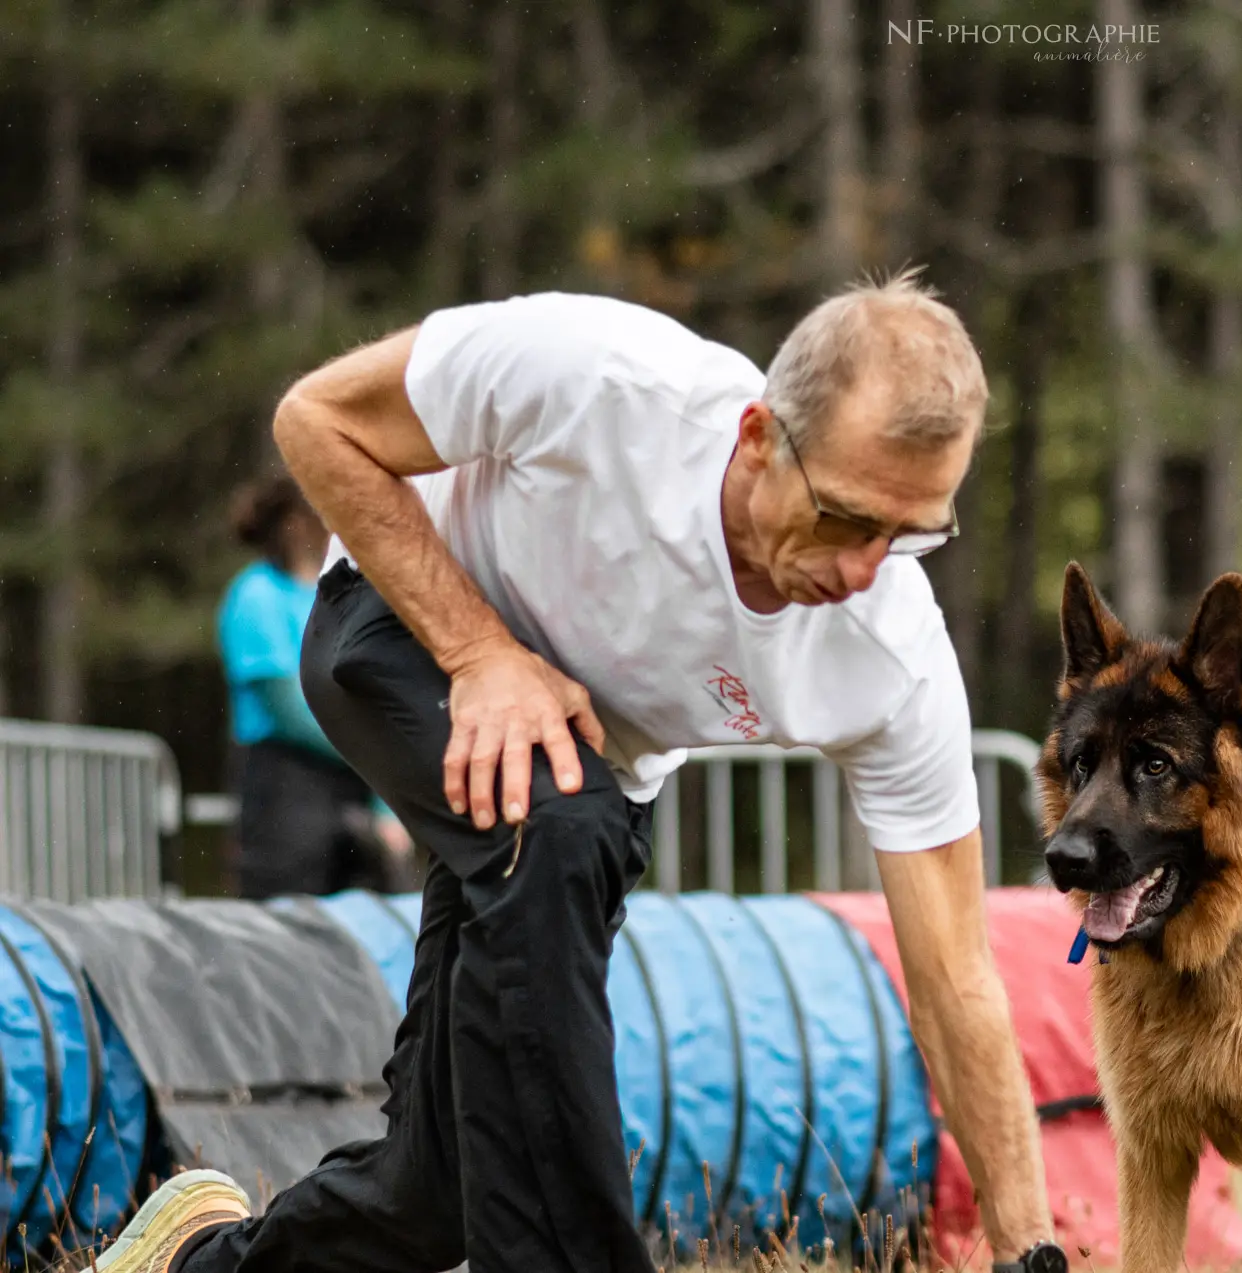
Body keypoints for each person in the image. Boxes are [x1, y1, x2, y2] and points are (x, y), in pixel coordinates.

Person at [100, 275, 1063, 1273]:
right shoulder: (598, 379)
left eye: (907, 534)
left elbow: (954, 974)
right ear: (756, 438)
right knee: (562, 818)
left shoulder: (890, 657)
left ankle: (191, 1265)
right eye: (843, 517)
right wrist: (479, 653)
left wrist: (1025, 1246)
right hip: (396, 627)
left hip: (571, 794)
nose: (864, 567)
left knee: (434, 1192)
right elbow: (317, 421)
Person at [217, 475, 412, 898]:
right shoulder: (256, 595)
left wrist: (386, 803)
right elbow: (289, 711)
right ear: (296, 523)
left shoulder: (343, 596)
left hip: (354, 779)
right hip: (285, 789)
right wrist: (377, 751)